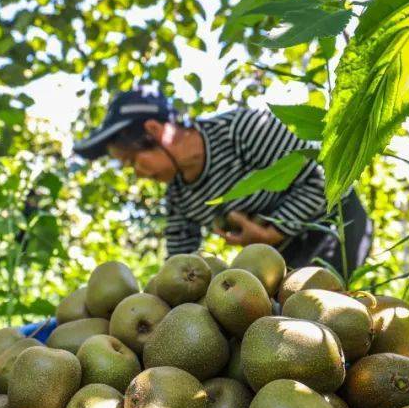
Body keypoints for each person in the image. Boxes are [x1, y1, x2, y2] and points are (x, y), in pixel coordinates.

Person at [74, 89, 372, 280]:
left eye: (132, 160)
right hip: (281, 253)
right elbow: (179, 261)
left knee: (320, 315)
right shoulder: (180, 195)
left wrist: (273, 230)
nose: (137, 173)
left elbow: (325, 177)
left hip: (336, 225)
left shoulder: (240, 131)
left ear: (154, 132)